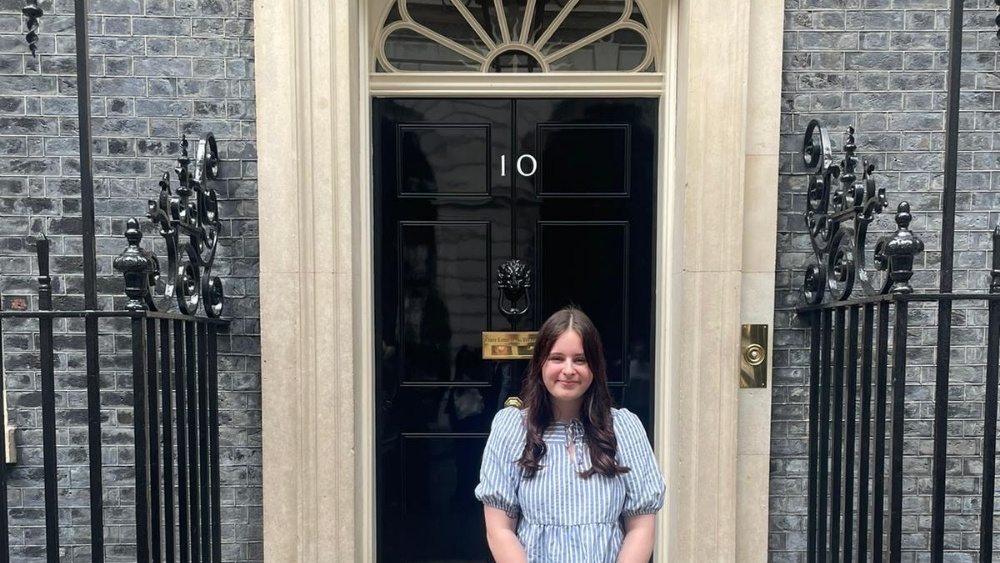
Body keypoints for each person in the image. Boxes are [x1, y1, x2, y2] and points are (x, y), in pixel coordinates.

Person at [475, 306, 666, 562]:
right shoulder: (511, 428)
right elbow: (499, 529)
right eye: (557, 358)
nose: (568, 370)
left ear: (595, 367)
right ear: (541, 363)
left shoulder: (624, 429)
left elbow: (641, 527)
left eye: (580, 359)